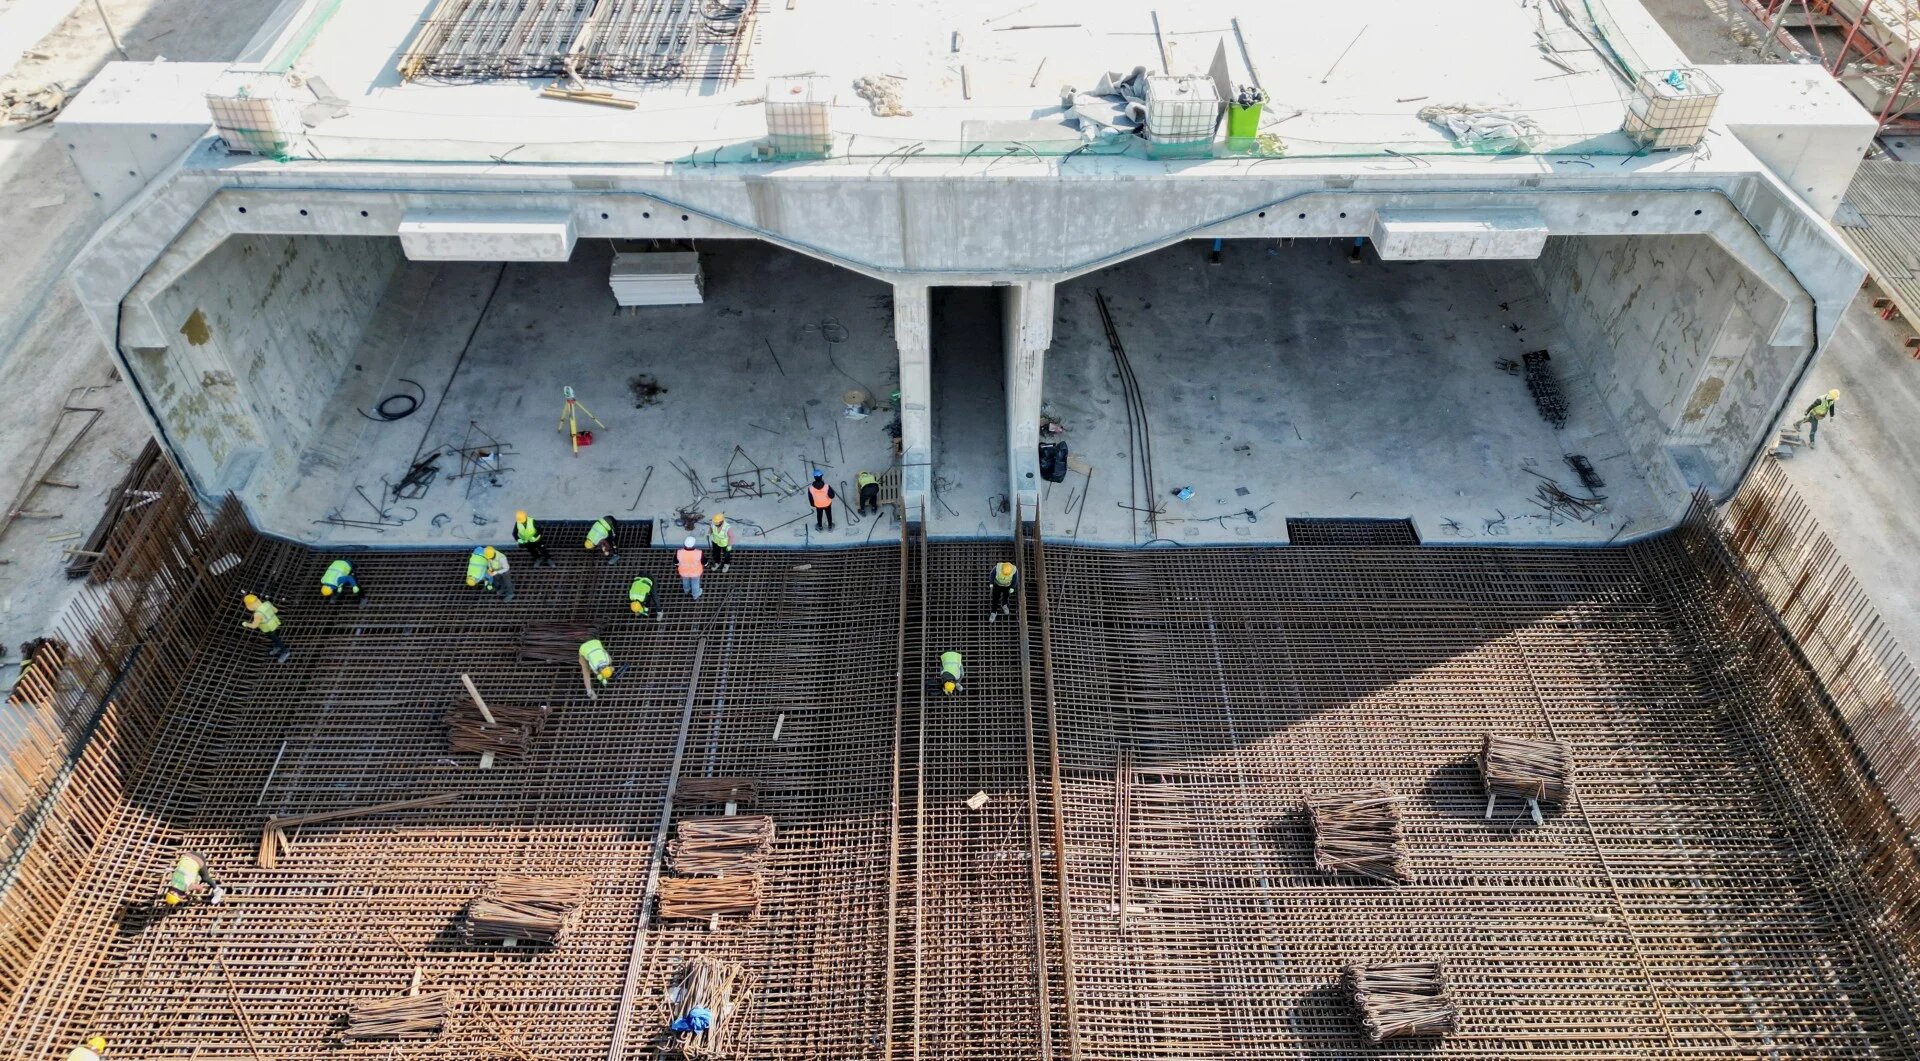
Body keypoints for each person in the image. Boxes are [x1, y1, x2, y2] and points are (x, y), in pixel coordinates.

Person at [241, 594, 290, 663]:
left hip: (269, 629)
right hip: (276, 624)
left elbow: (254, 626)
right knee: (276, 638)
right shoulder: (267, 603)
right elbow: (276, 610)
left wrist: (246, 624)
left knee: (276, 640)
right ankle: (277, 647)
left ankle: (285, 652)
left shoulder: (257, 614)